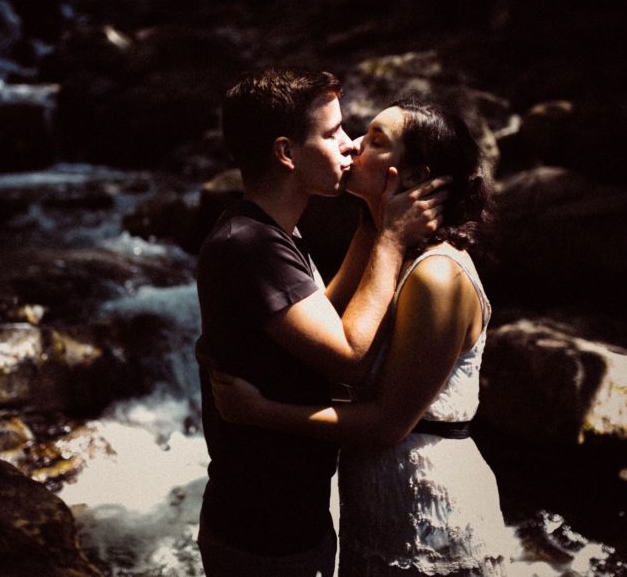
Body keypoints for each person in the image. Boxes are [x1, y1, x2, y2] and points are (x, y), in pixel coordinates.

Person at [209, 100, 512, 576]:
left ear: (411, 175)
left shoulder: (436, 276)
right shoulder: (388, 250)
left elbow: (389, 423)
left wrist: (263, 414)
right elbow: (325, 332)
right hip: (376, 503)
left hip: (427, 509)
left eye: (374, 139)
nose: (351, 144)